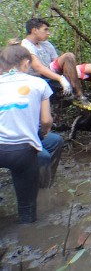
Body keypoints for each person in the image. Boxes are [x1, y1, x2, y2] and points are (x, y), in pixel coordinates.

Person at [21, 18, 91, 116]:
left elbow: (56, 62)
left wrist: (68, 71)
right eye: (45, 30)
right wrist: (60, 79)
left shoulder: (45, 43)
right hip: (41, 76)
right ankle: (79, 96)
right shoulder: (26, 46)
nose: (48, 33)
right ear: (34, 30)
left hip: (53, 71)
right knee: (68, 56)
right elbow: (39, 68)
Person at [0, 46, 54, 222]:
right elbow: (46, 121)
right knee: (26, 209)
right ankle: (28, 238)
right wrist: (42, 134)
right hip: (22, 151)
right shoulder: (39, 84)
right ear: (25, 63)